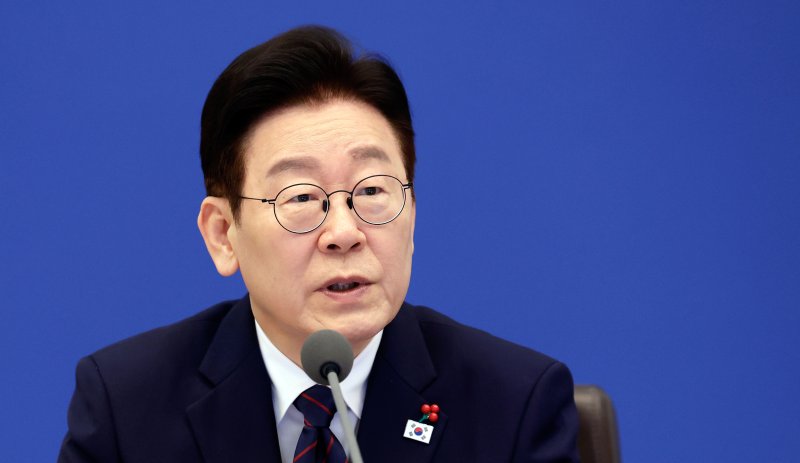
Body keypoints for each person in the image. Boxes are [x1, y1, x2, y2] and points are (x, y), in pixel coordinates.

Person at [59, 25, 580, 462]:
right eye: (302, 198)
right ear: (223, 234)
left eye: (372, 191)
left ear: (413, 214)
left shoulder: (515, 406)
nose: (344, 233)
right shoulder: (126, 407)